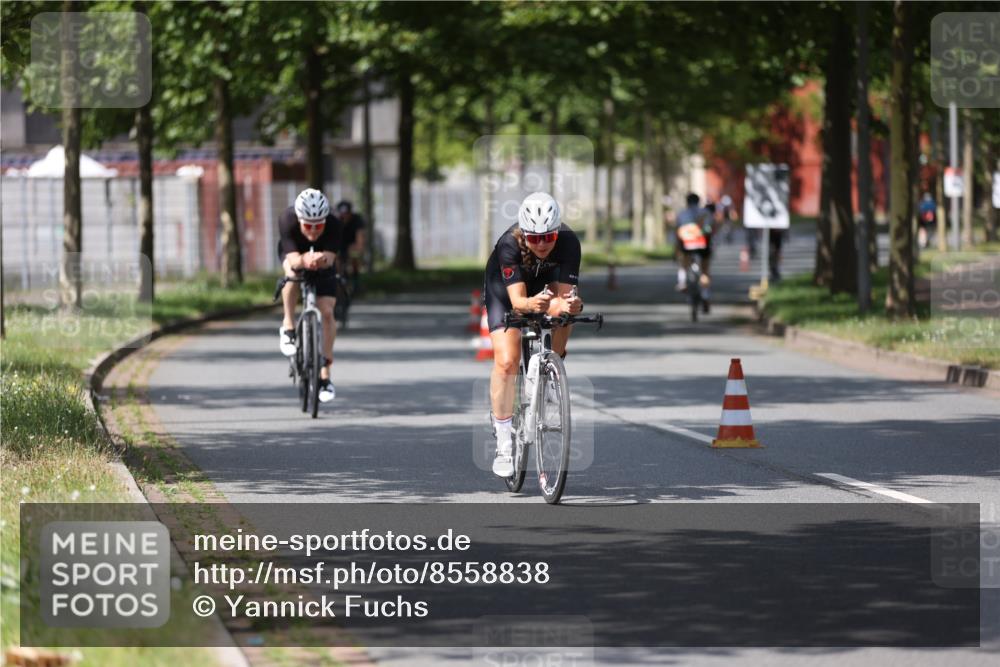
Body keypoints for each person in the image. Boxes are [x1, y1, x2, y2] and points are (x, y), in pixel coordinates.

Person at [484, 192, 583, 477]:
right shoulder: (509, 244)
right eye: (534, 238)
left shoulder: (569, 242)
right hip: (507, 292)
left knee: (564, 314)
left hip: (547, 285)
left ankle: (553, 369)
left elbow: (566, 297)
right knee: (507, 360)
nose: (541, 244)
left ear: (557, 231)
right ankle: (504, 443)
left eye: (548, 237)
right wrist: (531, 304)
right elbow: (519, 303)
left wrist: (573, 305)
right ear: (524, 233)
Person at [277, 188, 342, 403]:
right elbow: (295, 260)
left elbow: (331, 259)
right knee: (291, 274)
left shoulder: (334, 223)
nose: (313, 231)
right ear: (299, 220)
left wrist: (320, 260)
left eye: (318, 226)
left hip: (323, 258)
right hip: (295, 253)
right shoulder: (287, 219)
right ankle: (288, 325)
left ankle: (325, 375)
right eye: (308, 226)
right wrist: (305, 260)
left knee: (327, 313)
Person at [674, 193, 713, 312]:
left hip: (686, 244)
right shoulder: (706, 212)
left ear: (687, 202)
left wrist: (675, 249)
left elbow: (678, 232)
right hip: (703, 244)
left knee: (683, 262)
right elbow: (710, 229)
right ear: (698, 201)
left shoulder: (681, 214)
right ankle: (705, 295)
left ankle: (682, 281)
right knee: (705, 271)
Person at [335, 200, 367, 292]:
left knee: (354, 256)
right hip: (339, 244)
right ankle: (337, 283)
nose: (344, 216)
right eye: (342, 214)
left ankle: (355, 281)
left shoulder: (357, 220)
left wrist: (358, 248)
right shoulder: (335, 220)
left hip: (352, 244)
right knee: (336, 261)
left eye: (346, 214)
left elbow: (360, 236)